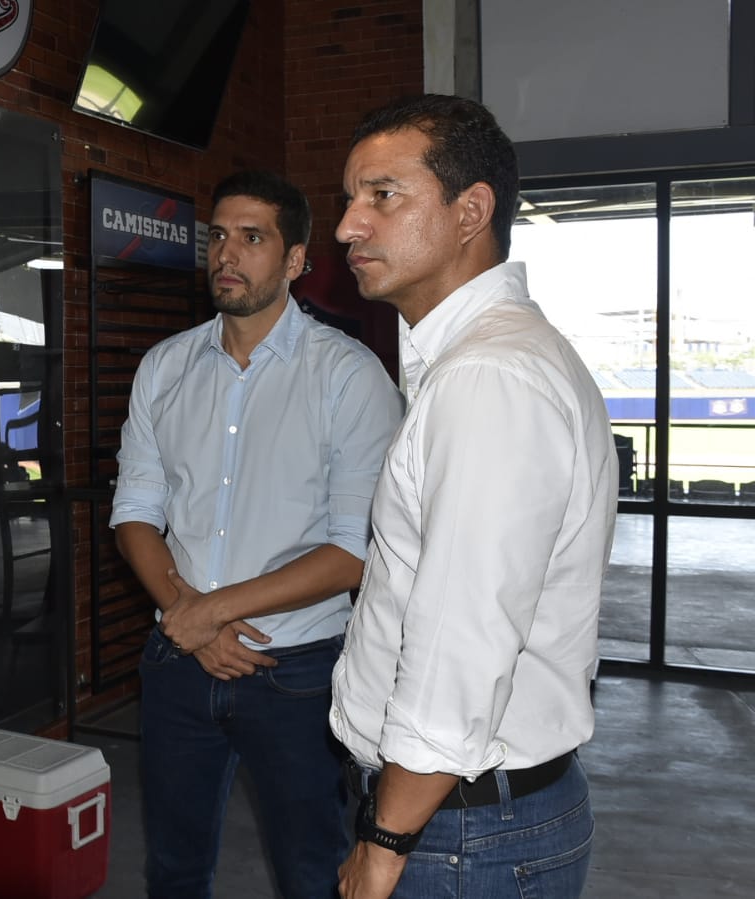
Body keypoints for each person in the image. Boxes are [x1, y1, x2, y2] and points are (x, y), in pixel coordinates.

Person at [329, 94, 616, 899]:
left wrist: (384, 843)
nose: (349, 224)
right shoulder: (485, 361)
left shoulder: (488, 378)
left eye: (381, 195)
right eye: (349, 198)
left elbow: (460, 640)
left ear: (470, 211)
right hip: (465, 817)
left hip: (456, 832)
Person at [111, 169, 403, 898]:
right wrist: (190, 616)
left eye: (251, 237)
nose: (226, 254)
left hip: (296, 672)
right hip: (178, 663)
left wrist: (206, 610)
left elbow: (353, 551)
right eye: (216, 236)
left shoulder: (347, 375)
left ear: (296, 260)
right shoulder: (164, 367)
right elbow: (135, 512)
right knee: (172, 869)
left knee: (311, 869)